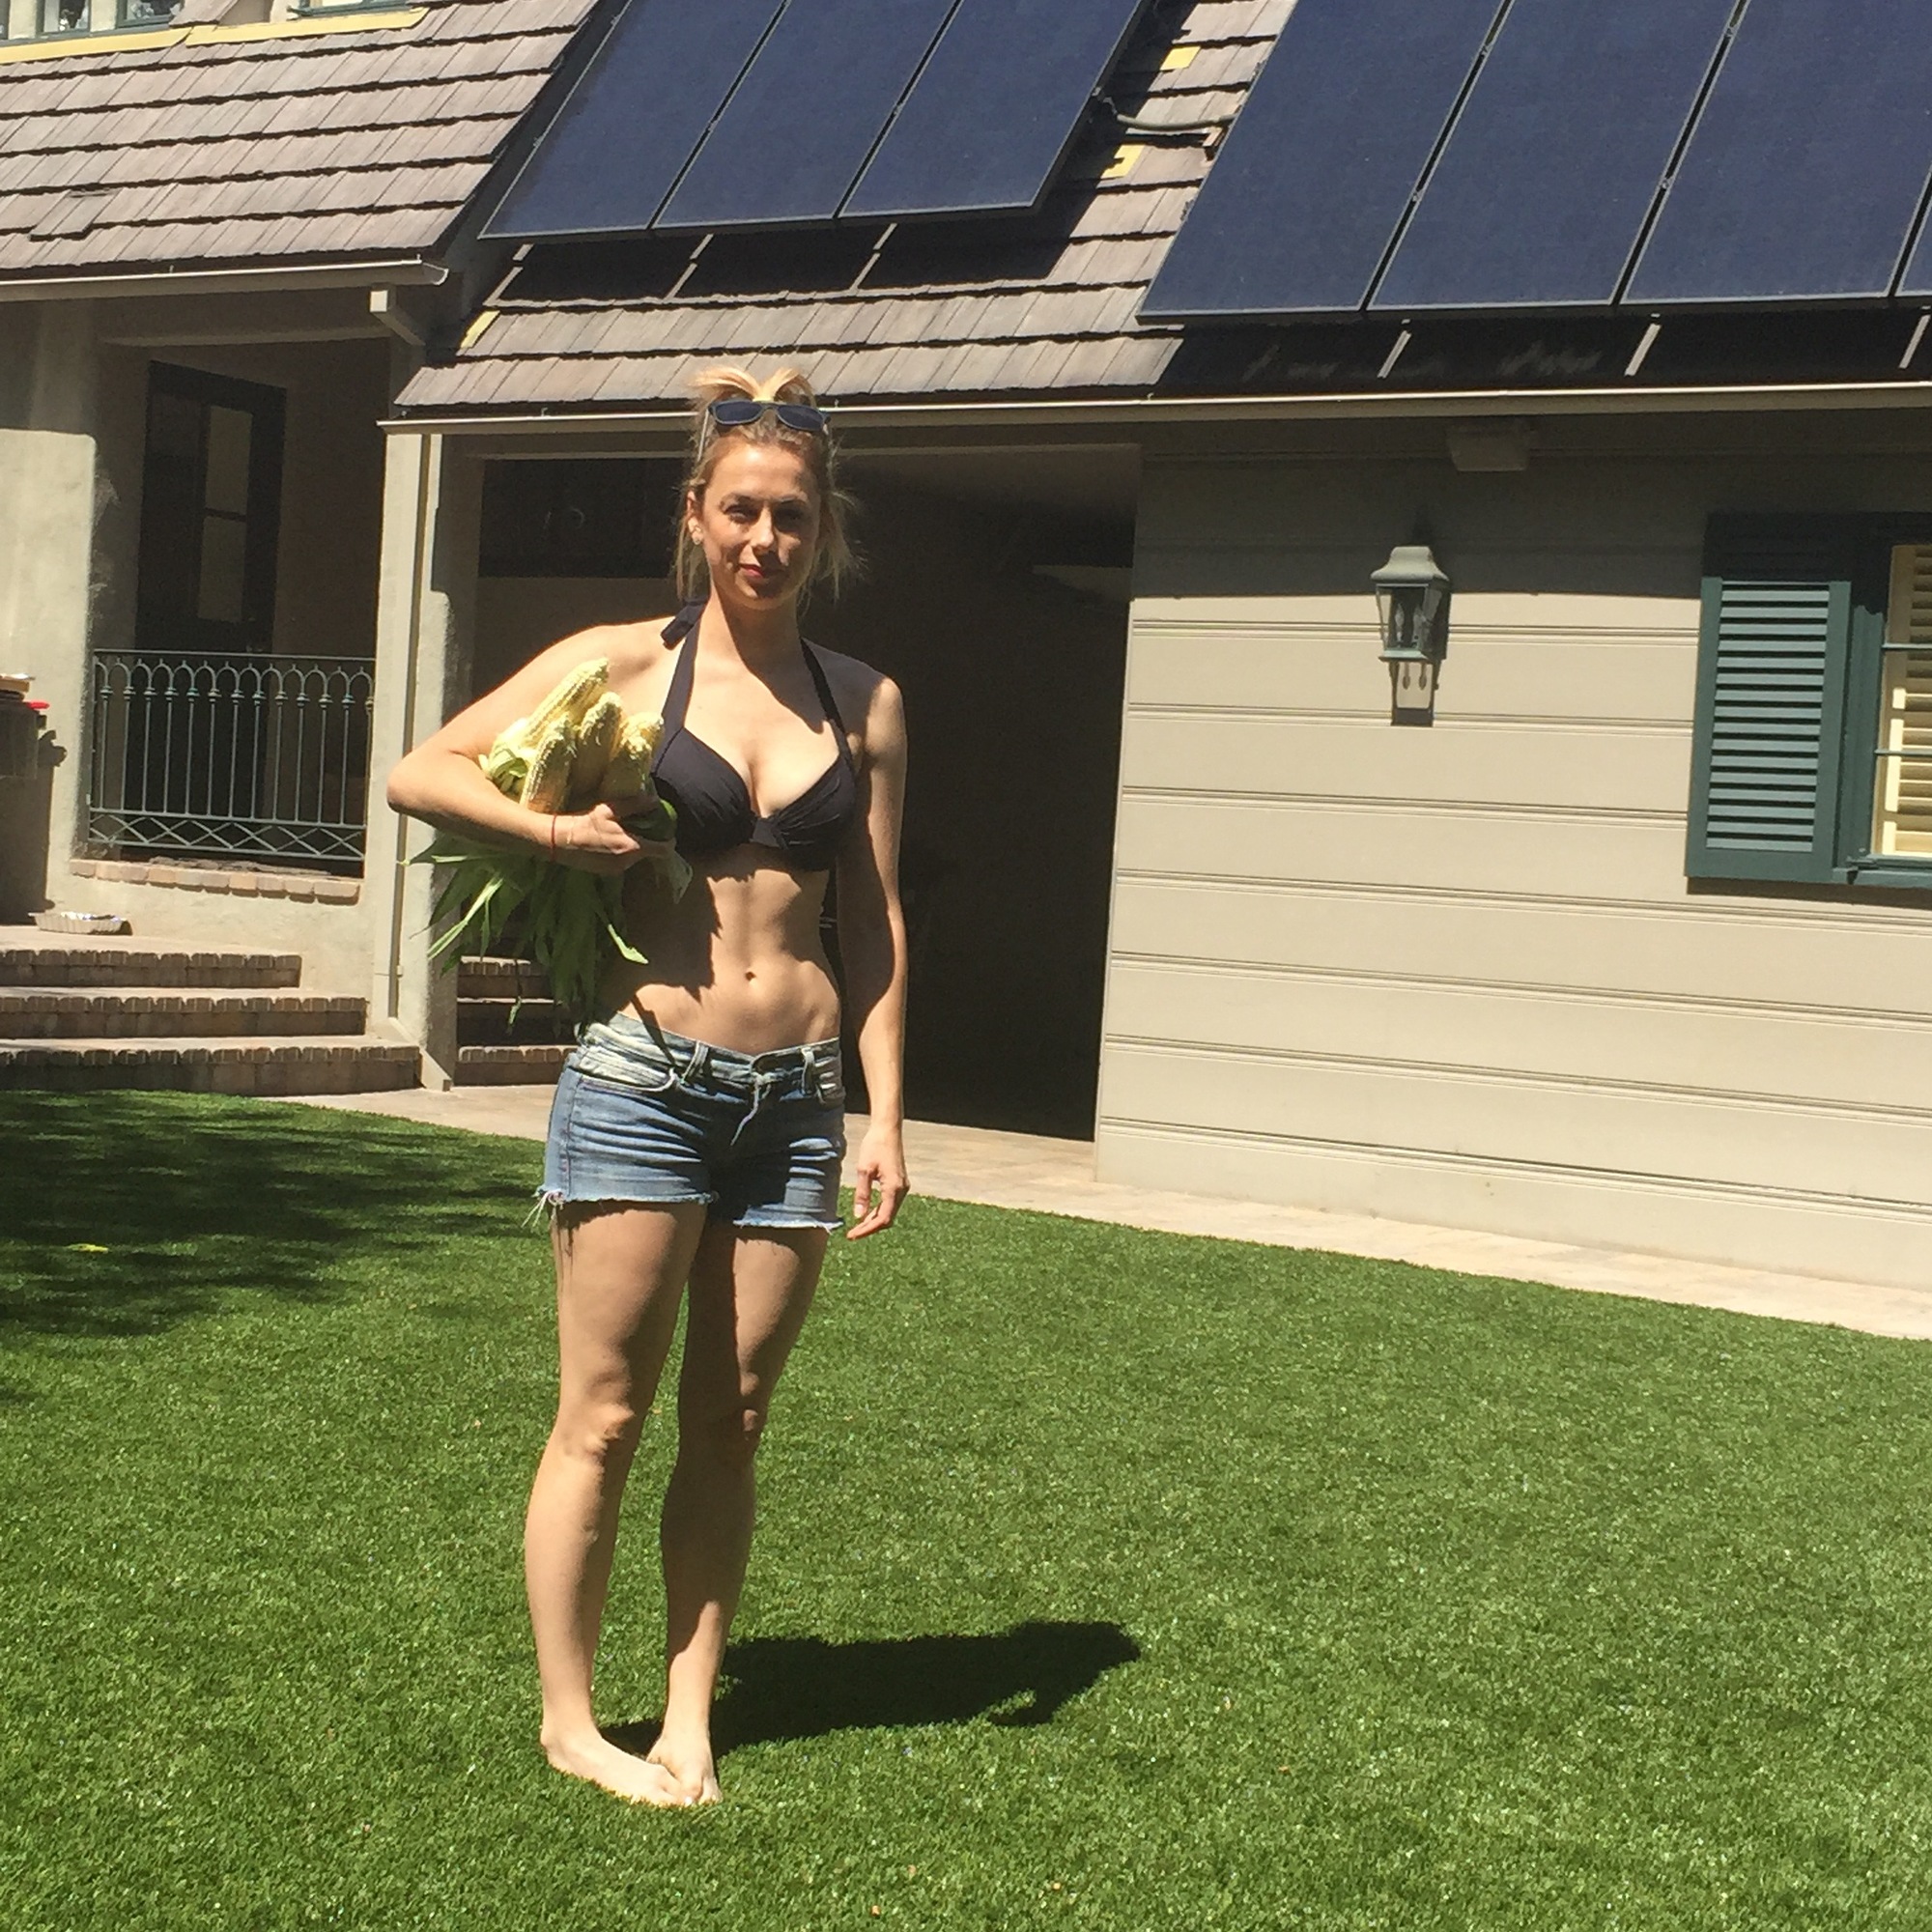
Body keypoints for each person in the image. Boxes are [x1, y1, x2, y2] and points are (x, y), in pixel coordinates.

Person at [386, 366, 909, 1806]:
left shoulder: (864, 702)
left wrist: (883, 1114)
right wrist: (556, 837)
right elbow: (423, 772)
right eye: (740, 510)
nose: (764, 538)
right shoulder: (621, 663)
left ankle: (688, 1717)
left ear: (821, 532)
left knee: (732, 1420)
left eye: (790, 516)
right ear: (696, 515)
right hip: (646, 1079)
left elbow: (875, 922)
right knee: (605, 1414)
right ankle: (571, 1722)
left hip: (796, 1099)